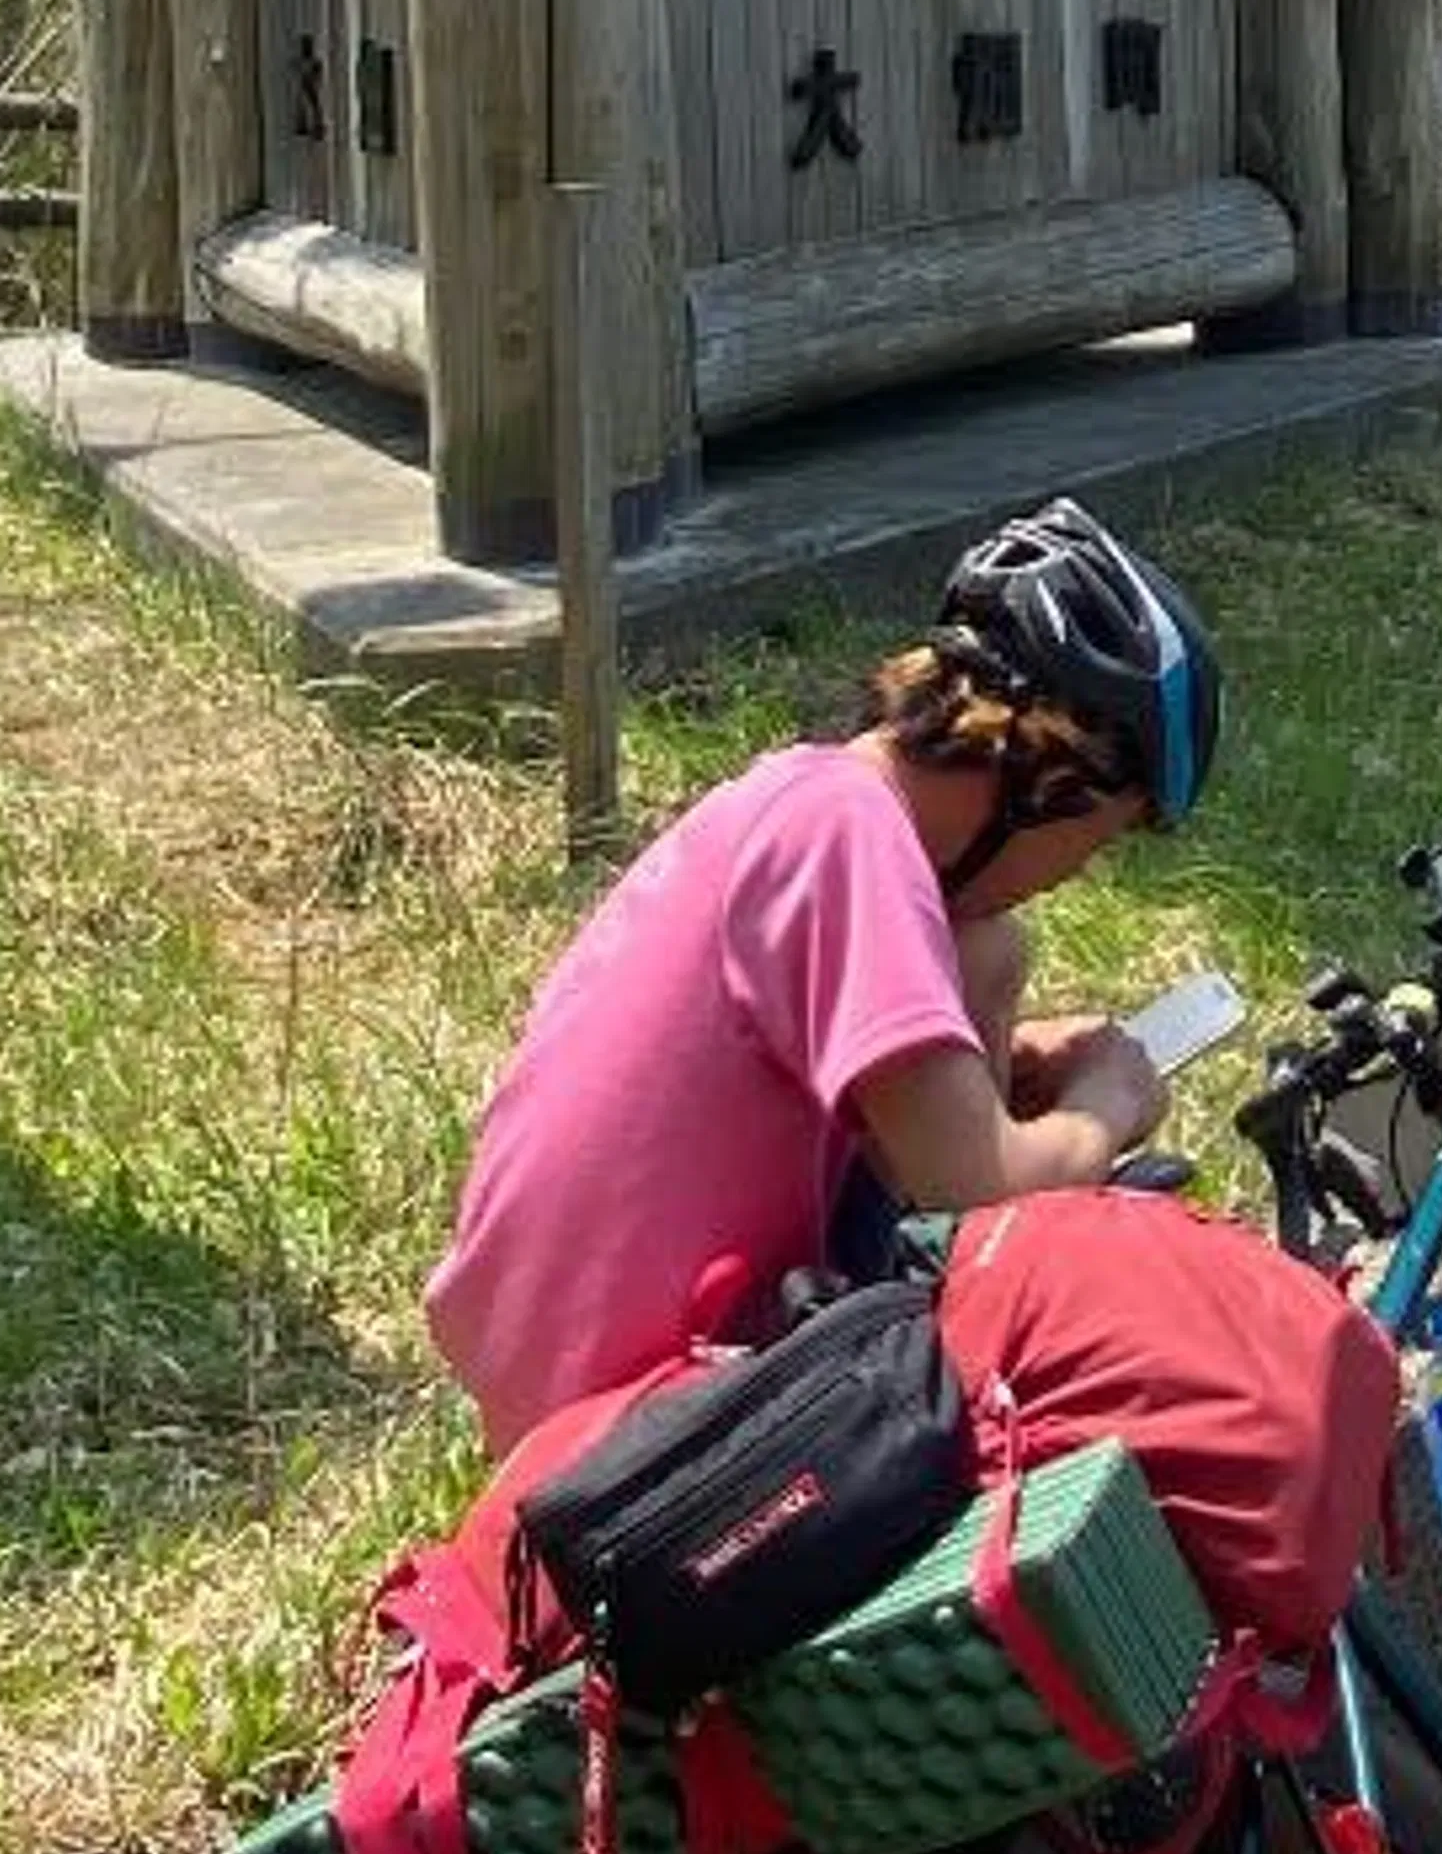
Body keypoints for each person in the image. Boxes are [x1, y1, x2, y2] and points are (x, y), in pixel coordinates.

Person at [425, 498, 1214, 1451]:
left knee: (993, 954)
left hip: (552, 1364)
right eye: (1098, 841)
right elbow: (979, 1191)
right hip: (627, 1421)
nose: (1074, 874)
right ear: (1054, 776)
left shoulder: (813, 800)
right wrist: (1108, 1103)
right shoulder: (849, 844)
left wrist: (997, 1031)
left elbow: (912, 1118)